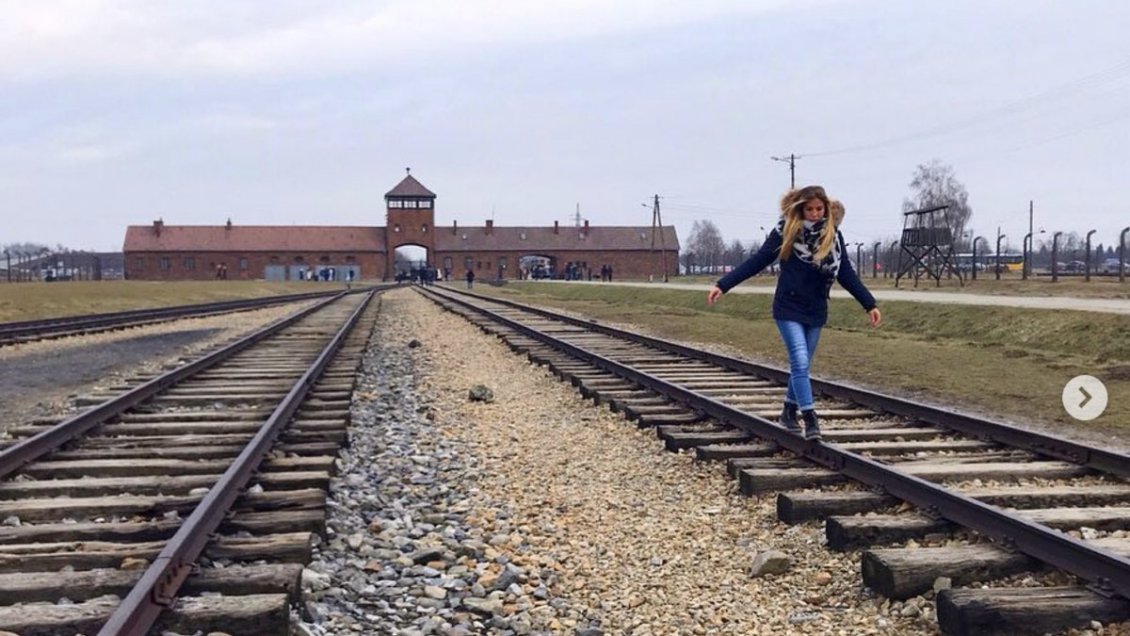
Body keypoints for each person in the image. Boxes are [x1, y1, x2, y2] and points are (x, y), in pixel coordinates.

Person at [707, 186, 881, 440]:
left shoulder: (833, 235)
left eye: (819, 209)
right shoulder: (785, 231)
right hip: (788, 306)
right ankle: (810, 418)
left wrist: (869, 304)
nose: (815, 214)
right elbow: (758, 260)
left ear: (826, 208)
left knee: (803, 364)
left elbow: (846, 273)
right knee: (799, 361)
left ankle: (788, 411)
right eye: (809, 209)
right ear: (800, 209)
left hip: (816, 308)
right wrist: (723, 285)